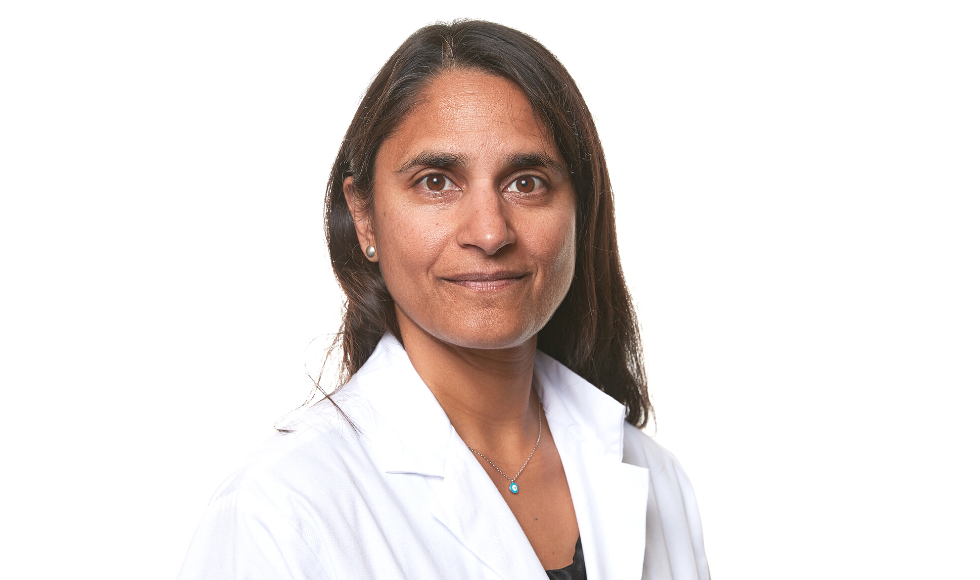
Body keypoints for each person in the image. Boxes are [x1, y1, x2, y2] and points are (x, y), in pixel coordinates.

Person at [178, 20, 709, 580]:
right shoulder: (280, 510)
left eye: (526, 182)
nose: (488, 232)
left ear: (581, 210)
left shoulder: (655, 478)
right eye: (436, 182)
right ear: (364, 216)